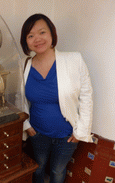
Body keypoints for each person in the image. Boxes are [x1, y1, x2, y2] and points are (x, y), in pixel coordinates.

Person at [20, 13, 93, 183]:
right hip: (37, 132)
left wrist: (79, 132)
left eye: (42, 32)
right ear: (26, 42)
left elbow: (87, 97)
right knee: (38, 168)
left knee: (57, 170)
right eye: (30, 35)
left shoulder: (74, 60)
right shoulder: (25, 65)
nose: (37, 39)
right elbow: (20, 98)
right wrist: (27, 126)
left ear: (52, 33)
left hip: (67, 134)